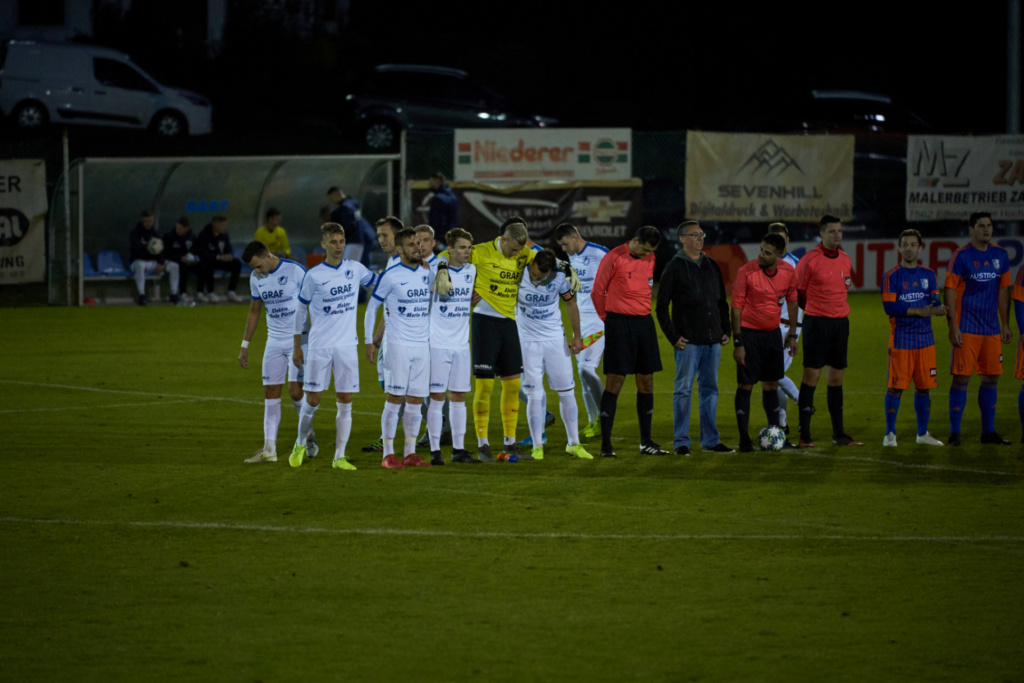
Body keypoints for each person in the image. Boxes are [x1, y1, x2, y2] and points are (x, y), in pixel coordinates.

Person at [432, 219, 536, 462]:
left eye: (520, 250)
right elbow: (445, 254)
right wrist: (442, 268)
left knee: (512, 384)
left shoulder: (522, 251)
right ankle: (483, 444)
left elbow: (541, 256)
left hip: (509, 322)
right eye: (513, 249)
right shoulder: (480, 251)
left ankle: (510, 444)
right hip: (484, 323)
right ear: (504, 239)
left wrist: (566, 268)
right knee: (485, 385)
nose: (516, 254)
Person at [288, 223, 379, 470]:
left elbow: (380, 281)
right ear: (324, 244)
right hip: (320, 345)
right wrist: (297, 345)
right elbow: (300, 310)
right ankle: (300, 443)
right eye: (333, 242)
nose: (338, 246)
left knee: (345, 399)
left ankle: (339, 457)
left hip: (347, 345)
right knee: (313, 399)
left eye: (341, 241)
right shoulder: (314, 275)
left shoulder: (355, 268)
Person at [655, 220, 734, 456]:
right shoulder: (674, 267)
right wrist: (673, 336)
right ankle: (681, 442)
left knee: (710, 390)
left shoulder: (711, 264)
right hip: (688, 341)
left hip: (712, 340)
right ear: (682, 239)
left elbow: (721, 301)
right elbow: (661, 306)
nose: (700, 238)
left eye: (701, 234)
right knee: (683, 390)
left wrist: (725, 328)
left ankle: (710, 440)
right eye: (694, 235)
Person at [239, 241, 317, 462]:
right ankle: (269, 450)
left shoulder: (295, 271)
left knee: (295, 392)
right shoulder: (256, 278)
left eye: (258, 266)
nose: (257, 271)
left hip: (299, 340)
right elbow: (254, 311)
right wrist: (245, 345)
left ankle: (308, 433)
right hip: (273, 341)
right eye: (253, 268)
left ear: (268, 255)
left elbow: (314, 302)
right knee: (270, 394)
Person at [363, 227, 433, 469]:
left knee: (415, 401)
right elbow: (372, 308)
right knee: (394, 399)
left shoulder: (428, 272)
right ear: (401, 249)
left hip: (422, 346)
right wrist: (369, 341)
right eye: (412, 244)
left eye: (419, 243)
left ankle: (410, 453)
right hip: (398, 346)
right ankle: (388, 454)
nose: (418, 248)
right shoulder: (390, 275)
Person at [593, 225, 666, 457]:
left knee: (647, 382)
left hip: (644, 324)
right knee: (615, 382)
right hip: (619, 323)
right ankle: (606, 446)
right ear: (634, 241)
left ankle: (646, 442)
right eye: (644, 249)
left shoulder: (651, 258)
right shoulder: (614, 257)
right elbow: (598, 291)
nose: (647, 255)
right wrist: (607, 319)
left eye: (650, 251)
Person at [516, 248, 594, 461]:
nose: (535, 279)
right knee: (534, 394)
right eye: (534, 274)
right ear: (532, 263)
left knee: (567, 391)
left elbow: (571, 303)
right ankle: (537, 446)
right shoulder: (518, 271)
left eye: (541, 277)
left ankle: (573, 444)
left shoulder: (560, 277)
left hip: (554, 340)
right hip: (527, 342)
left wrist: (577, 336)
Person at [944, 211, 1012, 446]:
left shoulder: (1000, 255)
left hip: (991, 329)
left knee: (991, 378)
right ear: (971, 229)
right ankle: (955, 433)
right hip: (967, 328)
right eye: (981, 226)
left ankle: (988, 433)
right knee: (961, 378)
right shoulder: (960, 256)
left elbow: (1003, 291)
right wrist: (953, 326)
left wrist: (1005, 324)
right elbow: (949, 291)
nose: (986, 229)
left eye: (989, 225)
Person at [795, 214, 861, 447]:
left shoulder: (845, 259)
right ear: (821, 233)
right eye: (832, 231)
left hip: (840, 324)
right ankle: (805, 436)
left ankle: (839, 435)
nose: (837, 235)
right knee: (811, 377)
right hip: (817, 324)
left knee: (836, 380)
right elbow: (799, 293)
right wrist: (816, 310)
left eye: (840, 231)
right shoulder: (809, 260)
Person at [730, 232, 799, 452]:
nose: (761, 255)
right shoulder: (746, 272)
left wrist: (792, 334)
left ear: (779, 255)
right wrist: (738, 343)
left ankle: (777, 435)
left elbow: (793, 301)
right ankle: (744, 440)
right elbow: (736, 309)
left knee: (771, 384)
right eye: (761, 249)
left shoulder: (788, 272)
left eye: (767, 252)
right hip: (749, 336)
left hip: (772, 335)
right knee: (745, 385)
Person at [881, 229, 947, 447]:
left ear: (920, 247)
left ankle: (922, 434)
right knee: (895, 388)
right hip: (901, 340)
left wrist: (939, 308)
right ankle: (890, 434)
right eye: (905, 245)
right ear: (899, 248)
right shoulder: (891, 276)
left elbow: (935, 300)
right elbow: (890, 307)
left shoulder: (929, 274)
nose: (908, 249)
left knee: (924, 387)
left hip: (926, 341)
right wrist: (918, 311)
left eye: (913, 245)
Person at [425, 228, 479, 465]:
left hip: (462, 345)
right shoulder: (435, 271)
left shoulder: (472, 270)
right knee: (437, 397)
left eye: (469, 247)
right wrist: (442, 263)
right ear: (450, 249)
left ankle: (459, 450)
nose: (467, 252)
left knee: (459, 397)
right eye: (462, 247)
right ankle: (435, 451)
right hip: (437, 344)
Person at [554, 223, 609, 439]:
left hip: (598, 321)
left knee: (587, 369)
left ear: (575, 237)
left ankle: (605, 416)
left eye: (565, 244)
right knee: (582, 374)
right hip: (581, 320)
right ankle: (593, 422)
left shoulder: (600, 254)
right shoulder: (572, 259)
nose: (564, 249)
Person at [768, 222, 803, 434]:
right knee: (774, 376)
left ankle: (804, 404)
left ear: (787, 240)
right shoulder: (764, 263)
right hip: (767, 325)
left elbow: (799, 300)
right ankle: (782, 422)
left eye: (781, 238)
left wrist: (793, 332)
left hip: (786, 327)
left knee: (774, 373)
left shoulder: (795, 265)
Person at [129, 209, 179, 306]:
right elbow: (136, 250)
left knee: (174, 266)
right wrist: (148, 247)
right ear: (142, 220)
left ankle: (174, 294)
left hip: (153, 262)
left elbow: (162, 251)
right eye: (146, 221)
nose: (148, 223)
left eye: (150, 221)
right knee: (140, 266)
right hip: (139, 261)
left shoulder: (156, 233)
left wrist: (160, 263)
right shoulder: (135, 233)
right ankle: (142, 295)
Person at [195, 215, 243, 303]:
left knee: (237, 263)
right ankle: (210, 292)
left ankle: (231, 292)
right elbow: (202, 252)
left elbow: (228, 248)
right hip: (209, 261)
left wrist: (229, 255)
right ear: (215, 224)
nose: (224, 227)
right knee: (208, 264)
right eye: (222, 225)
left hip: (221, 261)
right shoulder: (204, 235)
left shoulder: (224, 235)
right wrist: (218, 257)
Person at [163, 217, 199, 302]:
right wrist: (180, 258)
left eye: (180, 229)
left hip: (189, 262)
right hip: (174, 261)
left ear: (186, 228)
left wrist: (193, 258)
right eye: (177, 228)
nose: (177, 230)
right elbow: (166, 253)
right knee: (182, 267)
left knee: (203, 267)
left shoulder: (192, 237)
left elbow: (196, 250)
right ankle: (182, 293)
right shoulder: (169, 236)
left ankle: (201, 293)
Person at [327, 186, 365, 263]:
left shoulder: (345, 208)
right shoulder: (353, 203)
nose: (332, 201)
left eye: (332, 197)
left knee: (347, 266)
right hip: (358, 239)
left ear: (336, 194)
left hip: (352, 241)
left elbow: (348, 225)